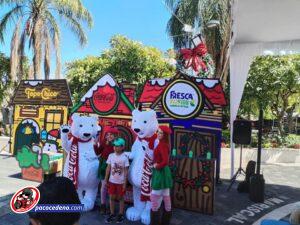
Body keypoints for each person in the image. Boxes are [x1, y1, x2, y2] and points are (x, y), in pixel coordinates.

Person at [150, 125, 173, 225]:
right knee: (166, 197)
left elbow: (165, 161)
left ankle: (155, 222)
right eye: (158, 132)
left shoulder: (162, 145)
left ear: (165, 135)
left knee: (154, 197)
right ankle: (165, 222)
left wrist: (156, 166)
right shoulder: (165, 144)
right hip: (164, 172)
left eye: (161, 133)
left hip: (160, 172)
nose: (158, 134)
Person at [95, 126, 119, 214]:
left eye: (111, 134)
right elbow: (98, 152)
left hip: (114, 166)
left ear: (115, 135)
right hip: (103, 165)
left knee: (111, 187)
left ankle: (110, 205)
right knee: (104, 186)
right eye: (107, 134)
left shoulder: (118, 144)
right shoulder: (104, 142)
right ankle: (103, 205)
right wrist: (95, 144)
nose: (109, 136)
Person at [104, 137, 129, 223]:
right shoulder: (111, 156)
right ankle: (112, 213)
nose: (115, 147)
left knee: (120, 198)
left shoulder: (125, 157)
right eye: (114, 145)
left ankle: (121, 214)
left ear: (122, 147)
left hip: (121, 182)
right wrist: (105, 179)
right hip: (112, 181)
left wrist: (125, 183)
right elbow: (108, 168)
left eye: (118, 146)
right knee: (111, 197)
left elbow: (126, 171)